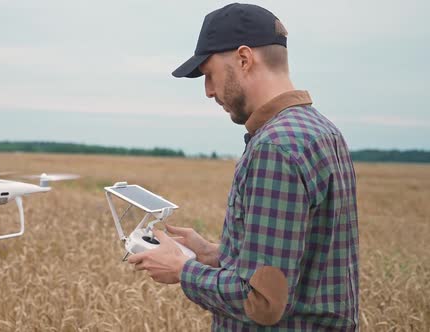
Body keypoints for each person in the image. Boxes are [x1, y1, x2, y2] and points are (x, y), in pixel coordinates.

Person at [127, 3, 359, 330]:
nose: (208, 91)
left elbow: (263, 302)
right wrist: (213, 254)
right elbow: (300, 263)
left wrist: (183, 269)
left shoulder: (275, 147)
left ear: (244, 59)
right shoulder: (322, 132)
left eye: (209, 75)